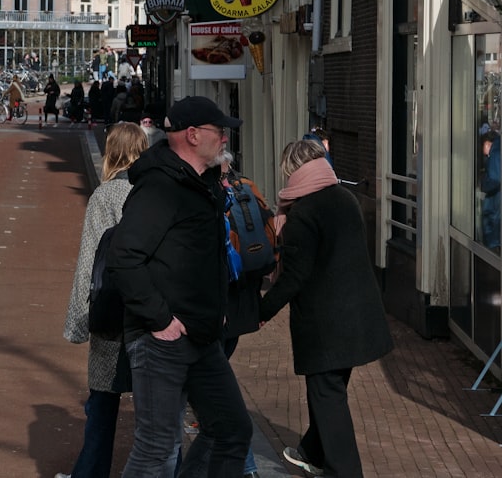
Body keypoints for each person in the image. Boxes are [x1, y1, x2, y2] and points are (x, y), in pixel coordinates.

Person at [107, 95, 252, 477]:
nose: (225, 139)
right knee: (156, 449)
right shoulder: (160, 188)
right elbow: (124, 257)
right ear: (192, 135)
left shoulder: (204, 186)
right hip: (163, 341)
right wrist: (160, 320)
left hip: (202, 338)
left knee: (232, 430)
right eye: (219, 132)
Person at [259, 139, 393, 478]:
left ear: (292, 171)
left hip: (326, 325)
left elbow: (294, 277)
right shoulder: (345, 198)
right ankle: (311, 452)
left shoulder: (303, 213)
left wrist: (261, 311)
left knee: (328, 396)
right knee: (331, 391)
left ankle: (343, 470)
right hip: (359, 315)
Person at [58, 122, 150, 478]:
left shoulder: (106, 196)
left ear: (111, 152)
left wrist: (79, 322)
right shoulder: (155, 192)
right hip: (150, 313)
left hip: (112, 313)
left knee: (102, 403)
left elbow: (90, 263)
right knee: (154, 410)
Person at [186, 151, 271, 478]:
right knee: (218, 395)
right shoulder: (247, 188)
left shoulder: (207, 200)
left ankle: (245, 468)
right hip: (242, 307)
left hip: (215, 311)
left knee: (218, 402)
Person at [481, 131, 501, 250]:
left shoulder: (495, 154)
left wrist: (483, 186)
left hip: (495, 205)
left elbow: (495, 180)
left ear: (488, 144)